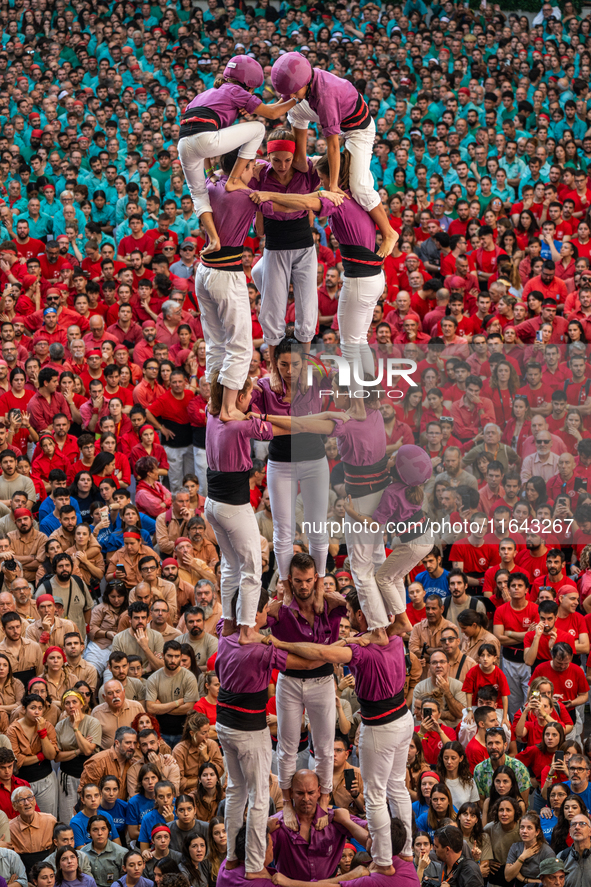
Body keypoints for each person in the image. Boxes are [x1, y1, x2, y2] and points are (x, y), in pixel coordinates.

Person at [269, 586, 414, 871]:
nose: (345, 617)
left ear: (362, 615)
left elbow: (319, 651)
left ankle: (384, 860)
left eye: (349, 613)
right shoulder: (394, 636)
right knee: (398, 787)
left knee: (374, 795)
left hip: (381, 725)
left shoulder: (360, 650)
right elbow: (404, 622)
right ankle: (406, 851)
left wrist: (282, 645)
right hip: (404, 719)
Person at [55, 689, 102, 824]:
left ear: (81, 704)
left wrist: (76, 728)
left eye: (74, 702)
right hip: (67, 776)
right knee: (68, 816)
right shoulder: (60, 725)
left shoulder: (92, 722)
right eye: (67, 703)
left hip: (89, 775)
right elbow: (57, 757)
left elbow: (88, 751)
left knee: (91, 815)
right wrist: (78, 750)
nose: (71, 706)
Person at [145, 641, 198, 748]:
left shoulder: (189, 677)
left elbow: (189, 708)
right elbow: (150, 708)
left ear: (181, 656)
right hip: (161, 732)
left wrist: (161, 707)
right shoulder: (154, 678)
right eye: (169, 656)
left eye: (176, 656)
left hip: (183, 733)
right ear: (163, 656)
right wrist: (178, 702)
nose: (173, 660)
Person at [8, 785, 56, 874]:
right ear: (14, 806)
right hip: (23, 872)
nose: (27, 803)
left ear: (34, 801)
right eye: (21, 800)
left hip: (50, 872)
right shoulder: (10, 828)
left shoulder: (50, 820)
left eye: (29, 798)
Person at [80, 814, 127, 887]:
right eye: (95, 830)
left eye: (103, 829)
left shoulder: (121, 853)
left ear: (108, 830)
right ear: (89, 832)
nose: (100, 833)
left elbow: (125, 881)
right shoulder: (82, 853)